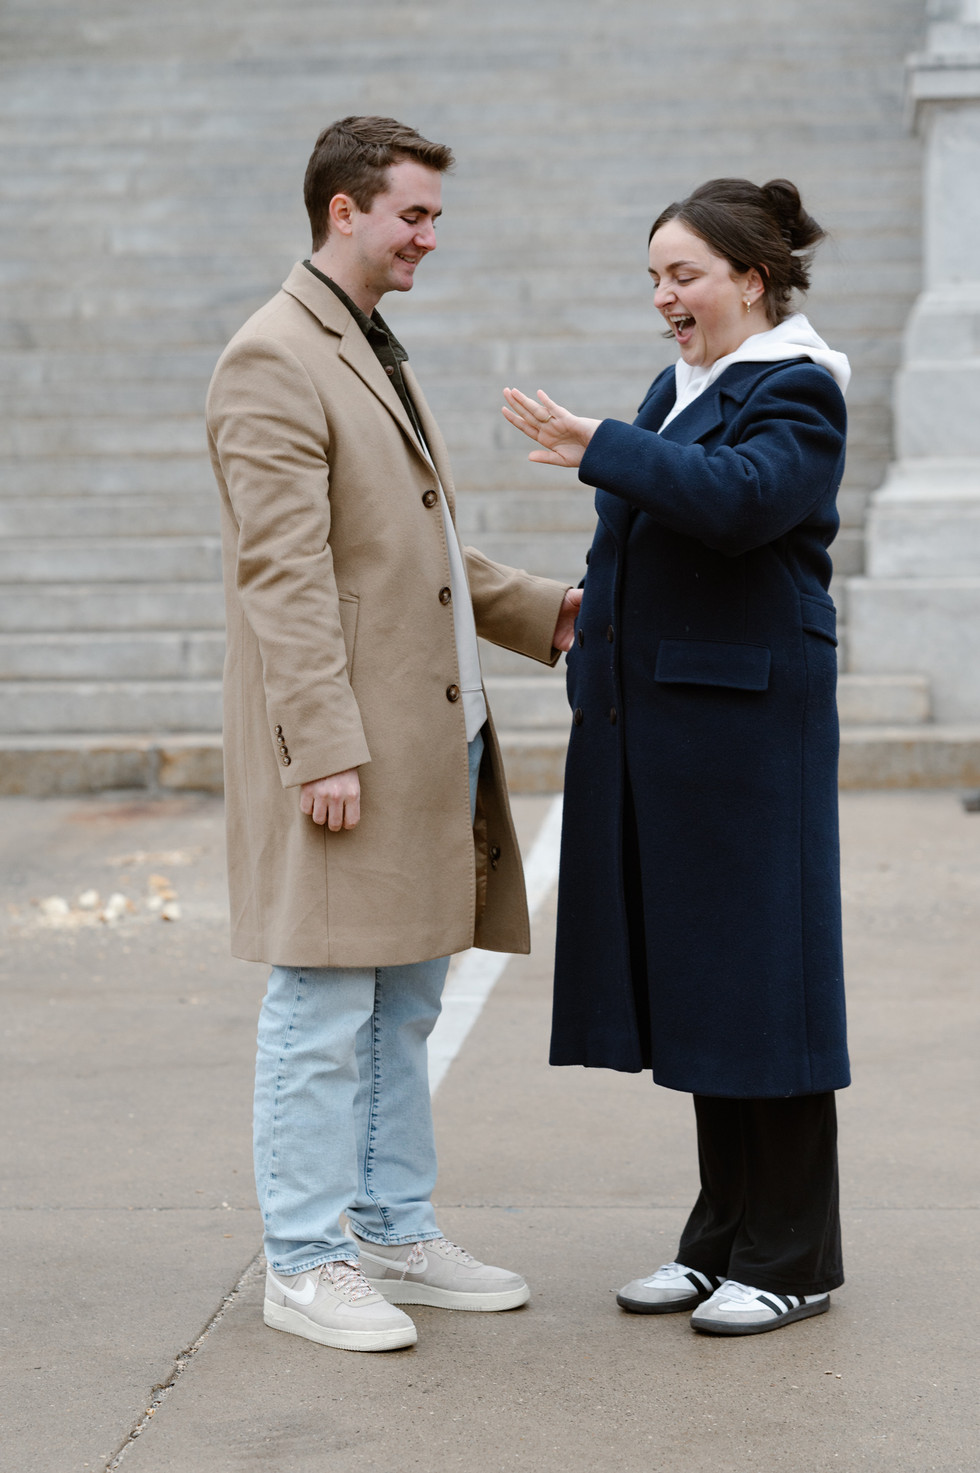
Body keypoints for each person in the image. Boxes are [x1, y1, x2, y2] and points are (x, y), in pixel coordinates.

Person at [206, 115, 580, 1354]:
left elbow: (406, 546)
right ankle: (305, 1259)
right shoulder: (273, 356)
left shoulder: (365, 342)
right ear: (343, 211)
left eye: (432, 215)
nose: (429, 236)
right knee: (320, 1007)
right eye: (412, 214)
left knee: (405, 1002)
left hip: (431, 743)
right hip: (350, 753)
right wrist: (321, 744)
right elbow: (284, 575)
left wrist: (542, 612)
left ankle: (388, 1226)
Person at [502, 177, 851, 1337]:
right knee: (708, 983)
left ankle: (791, 1257)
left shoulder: (798, 389)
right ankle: (721, 1241)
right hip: (671, 728)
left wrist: (601, 442)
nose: (663, 297)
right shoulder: (682, 384)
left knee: (767, 989)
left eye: (683, 274)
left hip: (751, 734)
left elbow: (742, 501)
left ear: (750, 278)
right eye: (654, 276)